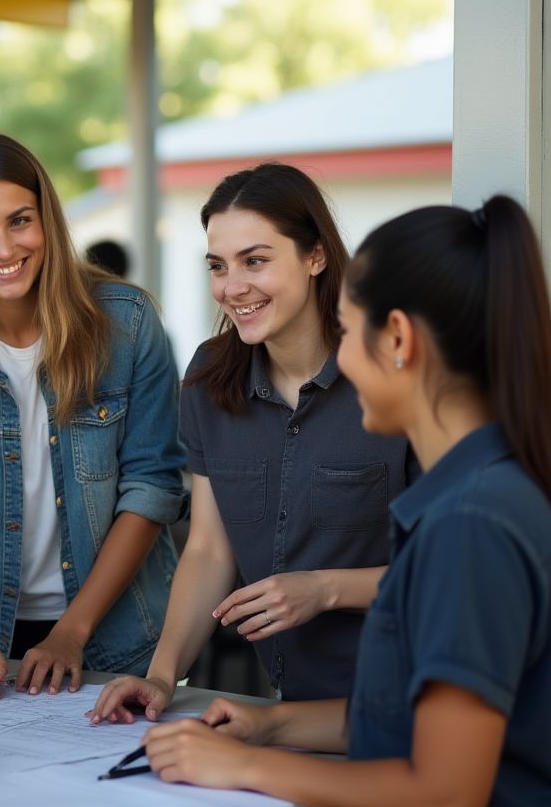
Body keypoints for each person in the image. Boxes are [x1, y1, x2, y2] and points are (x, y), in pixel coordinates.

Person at [138, 195, 551, 807]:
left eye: (348, 330)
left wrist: (246, 765)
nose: (342, 362)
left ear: (397, 341)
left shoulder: (470, 525)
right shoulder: (476, 498)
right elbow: (402, 722)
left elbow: (444, 799)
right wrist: (270, 727)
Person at [92, 163, 415, 724]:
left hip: (409, 705)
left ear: (315, 256)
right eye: (218, 266)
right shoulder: (208, 381)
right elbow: (209, 550)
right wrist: (161, 676)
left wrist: (327, 589)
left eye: (255, 261)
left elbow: (455, 568)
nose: (232, 288)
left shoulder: (395, 378)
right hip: (287, 711)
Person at [0, 133, 186, 699]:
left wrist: (72, 631)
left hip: (124, 639)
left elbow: (151, 489)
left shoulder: (130, 324)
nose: (3, 248)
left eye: (19, 221)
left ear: (47, 219)